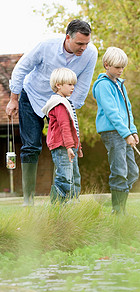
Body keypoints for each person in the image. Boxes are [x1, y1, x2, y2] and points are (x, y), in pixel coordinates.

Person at [5, 19, 98, 206]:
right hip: (31, 96)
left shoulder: (90, 53)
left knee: (65, 144)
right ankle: (28, 198)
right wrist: (14, 98)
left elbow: (83, 84)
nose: (83, 48)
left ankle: (66, 196)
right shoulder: (46, 46)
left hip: (60, 101)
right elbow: (21, 68)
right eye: (79, 44)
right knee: (31, 146)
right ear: (67, 38)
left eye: (86, 44)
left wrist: (69, 108)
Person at [92, 47, 139, 215]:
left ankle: (119, 206)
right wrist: (125, 134)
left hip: (124, 132)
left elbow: (128, 109)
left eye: (122, 67)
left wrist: (132, 130)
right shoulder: (103, 85)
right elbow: (112, 113)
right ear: (106, 65)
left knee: (132, 172)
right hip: (113, 133)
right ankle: (118, 212)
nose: (120, 71)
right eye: (117, 67)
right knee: (119, 171)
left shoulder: (120, 84)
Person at [42, 68, 82, 203]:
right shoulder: (58, 104)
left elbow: (73, 127)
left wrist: (77, 146)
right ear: (58, 85)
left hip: (70, 146)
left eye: (73, 84)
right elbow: (64, 126)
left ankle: (73, 203)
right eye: (69, 84)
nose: (73, 88)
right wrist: (70, 147)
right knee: (65, 177)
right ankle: (58, 207)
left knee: (75, 176)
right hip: (62, 146)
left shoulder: (67, 102)